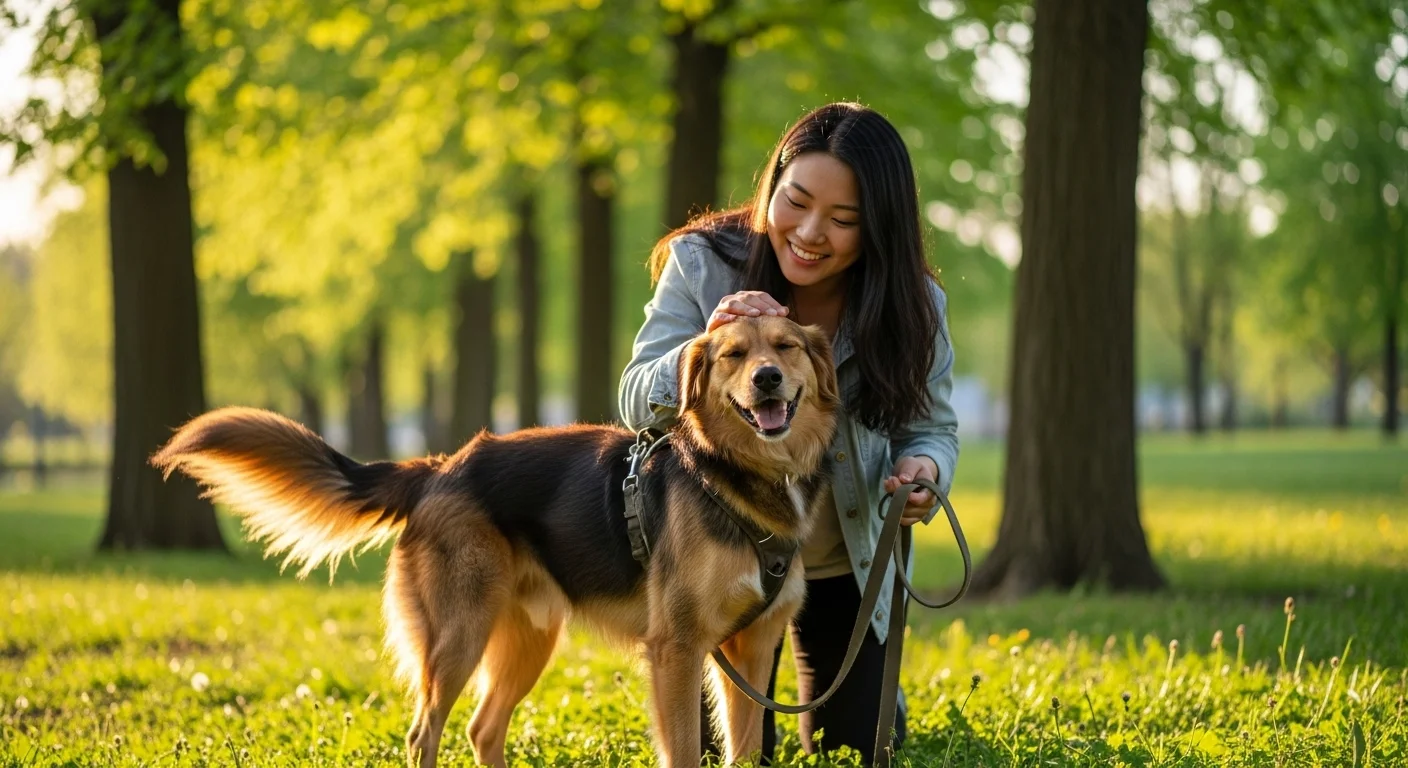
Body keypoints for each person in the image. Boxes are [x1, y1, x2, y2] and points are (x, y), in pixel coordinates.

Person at [617, 102, 959, 764]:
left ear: (879, 228)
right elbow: (634, 400)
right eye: (795, 201)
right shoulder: (701, 262)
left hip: (842, 560)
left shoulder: (915, 304)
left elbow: (933, 428)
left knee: (858, 748)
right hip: (722, 554)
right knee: (740, 752)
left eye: (843, 220)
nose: (807, 232)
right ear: (772, 184)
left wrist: (925, 471)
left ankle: (873, 691)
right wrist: (705, 344)